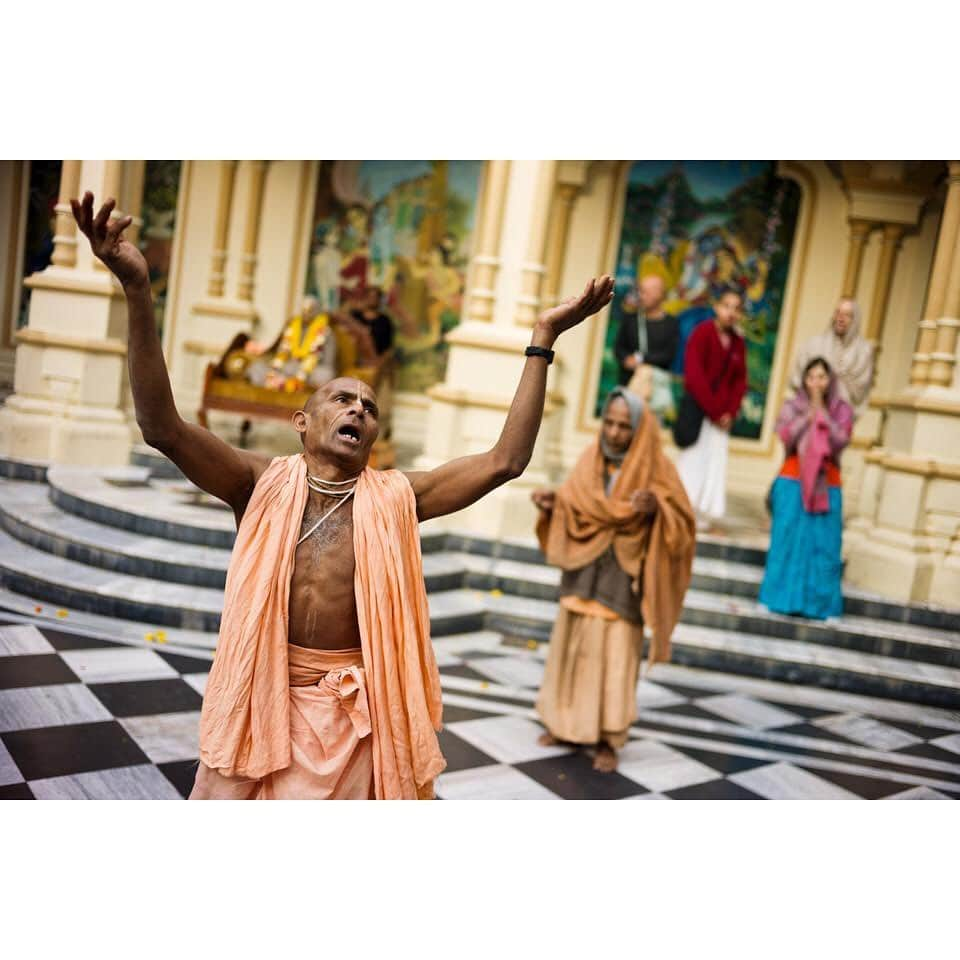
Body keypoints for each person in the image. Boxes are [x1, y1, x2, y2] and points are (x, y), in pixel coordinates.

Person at [72, 191, 614, 801]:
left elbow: (503, 461)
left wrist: (543, 338)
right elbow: (161, 428)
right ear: (301, 422)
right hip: (262, 704)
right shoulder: (257, 483)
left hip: (359, 719)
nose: (359, 406)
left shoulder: (397, 497)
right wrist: (138, 291)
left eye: (370, 406)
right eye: (342, 398)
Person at [531, 387, 695, 772]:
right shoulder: (590, 458)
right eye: (610, 423)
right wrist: (554, 505)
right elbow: (576, 504)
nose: (616, 432)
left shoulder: (658, 468)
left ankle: (608, 738)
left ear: (639, 429)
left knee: (615, 660)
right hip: (583, 571)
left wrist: (656, 508)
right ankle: (562, 723)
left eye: (625, 426)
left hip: (624, 577)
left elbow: (684, 525)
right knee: (571, 650)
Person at [759, 357, 853, 619]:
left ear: (829, 380)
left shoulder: (841, 409)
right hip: (792, 481)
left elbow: (841, 441)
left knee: (825, 546)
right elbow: (785, 436)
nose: (816, 382)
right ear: (804, 380)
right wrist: (808, 416)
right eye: (811, 377)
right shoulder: (792, 406)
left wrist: (823, 415)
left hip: (827, 483)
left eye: (822, 377)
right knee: (786, 542)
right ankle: (776, 598)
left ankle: (822, 606)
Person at [676, 285, 748, 530]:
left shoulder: (739, 343)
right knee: (693, 460)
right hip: (701, 411)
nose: (731, 312)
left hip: (722, 417)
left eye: (736, 309)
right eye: (726, 306)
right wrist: (716, 411)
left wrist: (731, 412)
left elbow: (740, 381)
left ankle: (705, 513)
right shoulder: (702, 333)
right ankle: (684, 508)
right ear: (717, 308)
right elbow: (695, 376)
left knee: (715, 462)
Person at [788, 298, 873, 416]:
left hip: (840, 419)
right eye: (838, 312)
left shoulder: (862, 353)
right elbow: (797, 379)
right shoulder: (814, 344)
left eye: (847, 315)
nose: (841, 318)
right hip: (808, 415)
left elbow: (859, 392)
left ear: (855, 320)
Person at [614, 275, 679, 419]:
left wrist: (640, 359)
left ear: (660, 294)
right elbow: (618, 348)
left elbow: (668, 355)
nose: (641, 296)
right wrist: (626, 359)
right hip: (628, 387)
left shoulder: (671, 324)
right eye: (641, 291)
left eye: (646, 292)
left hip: (654, 394)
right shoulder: (630, 319)